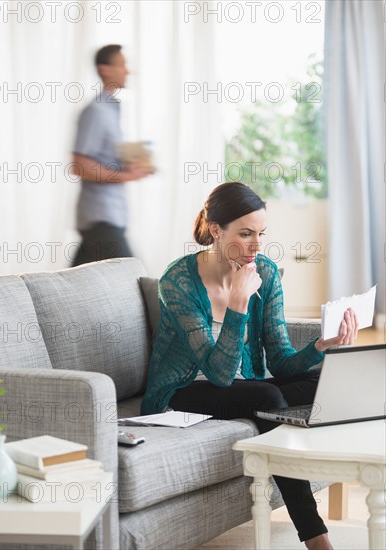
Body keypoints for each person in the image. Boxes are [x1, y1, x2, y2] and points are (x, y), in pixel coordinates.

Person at [141, 182, 358, 550]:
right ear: (215, 231)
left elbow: (282, 361)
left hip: (246, 387)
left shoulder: (267, 273)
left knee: (326, 380)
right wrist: (238, 305)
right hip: (184, 391)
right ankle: (316, 537)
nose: (256, 245)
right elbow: (219, 373)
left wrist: (323, 345)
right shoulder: (176, 282)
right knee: (267, 395)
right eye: (245, 234)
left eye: (260, 234)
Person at [71, 44, 152, 267]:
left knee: (75, 285)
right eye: (122, 65)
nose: (127, 71)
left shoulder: (111, 110)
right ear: (105, 69)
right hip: (101, 219)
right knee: (134, 278)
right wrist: (127, 176)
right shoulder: (96, 111)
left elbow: (99, 159)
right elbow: (79, 165)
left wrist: (129, 166)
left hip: (105, 220)